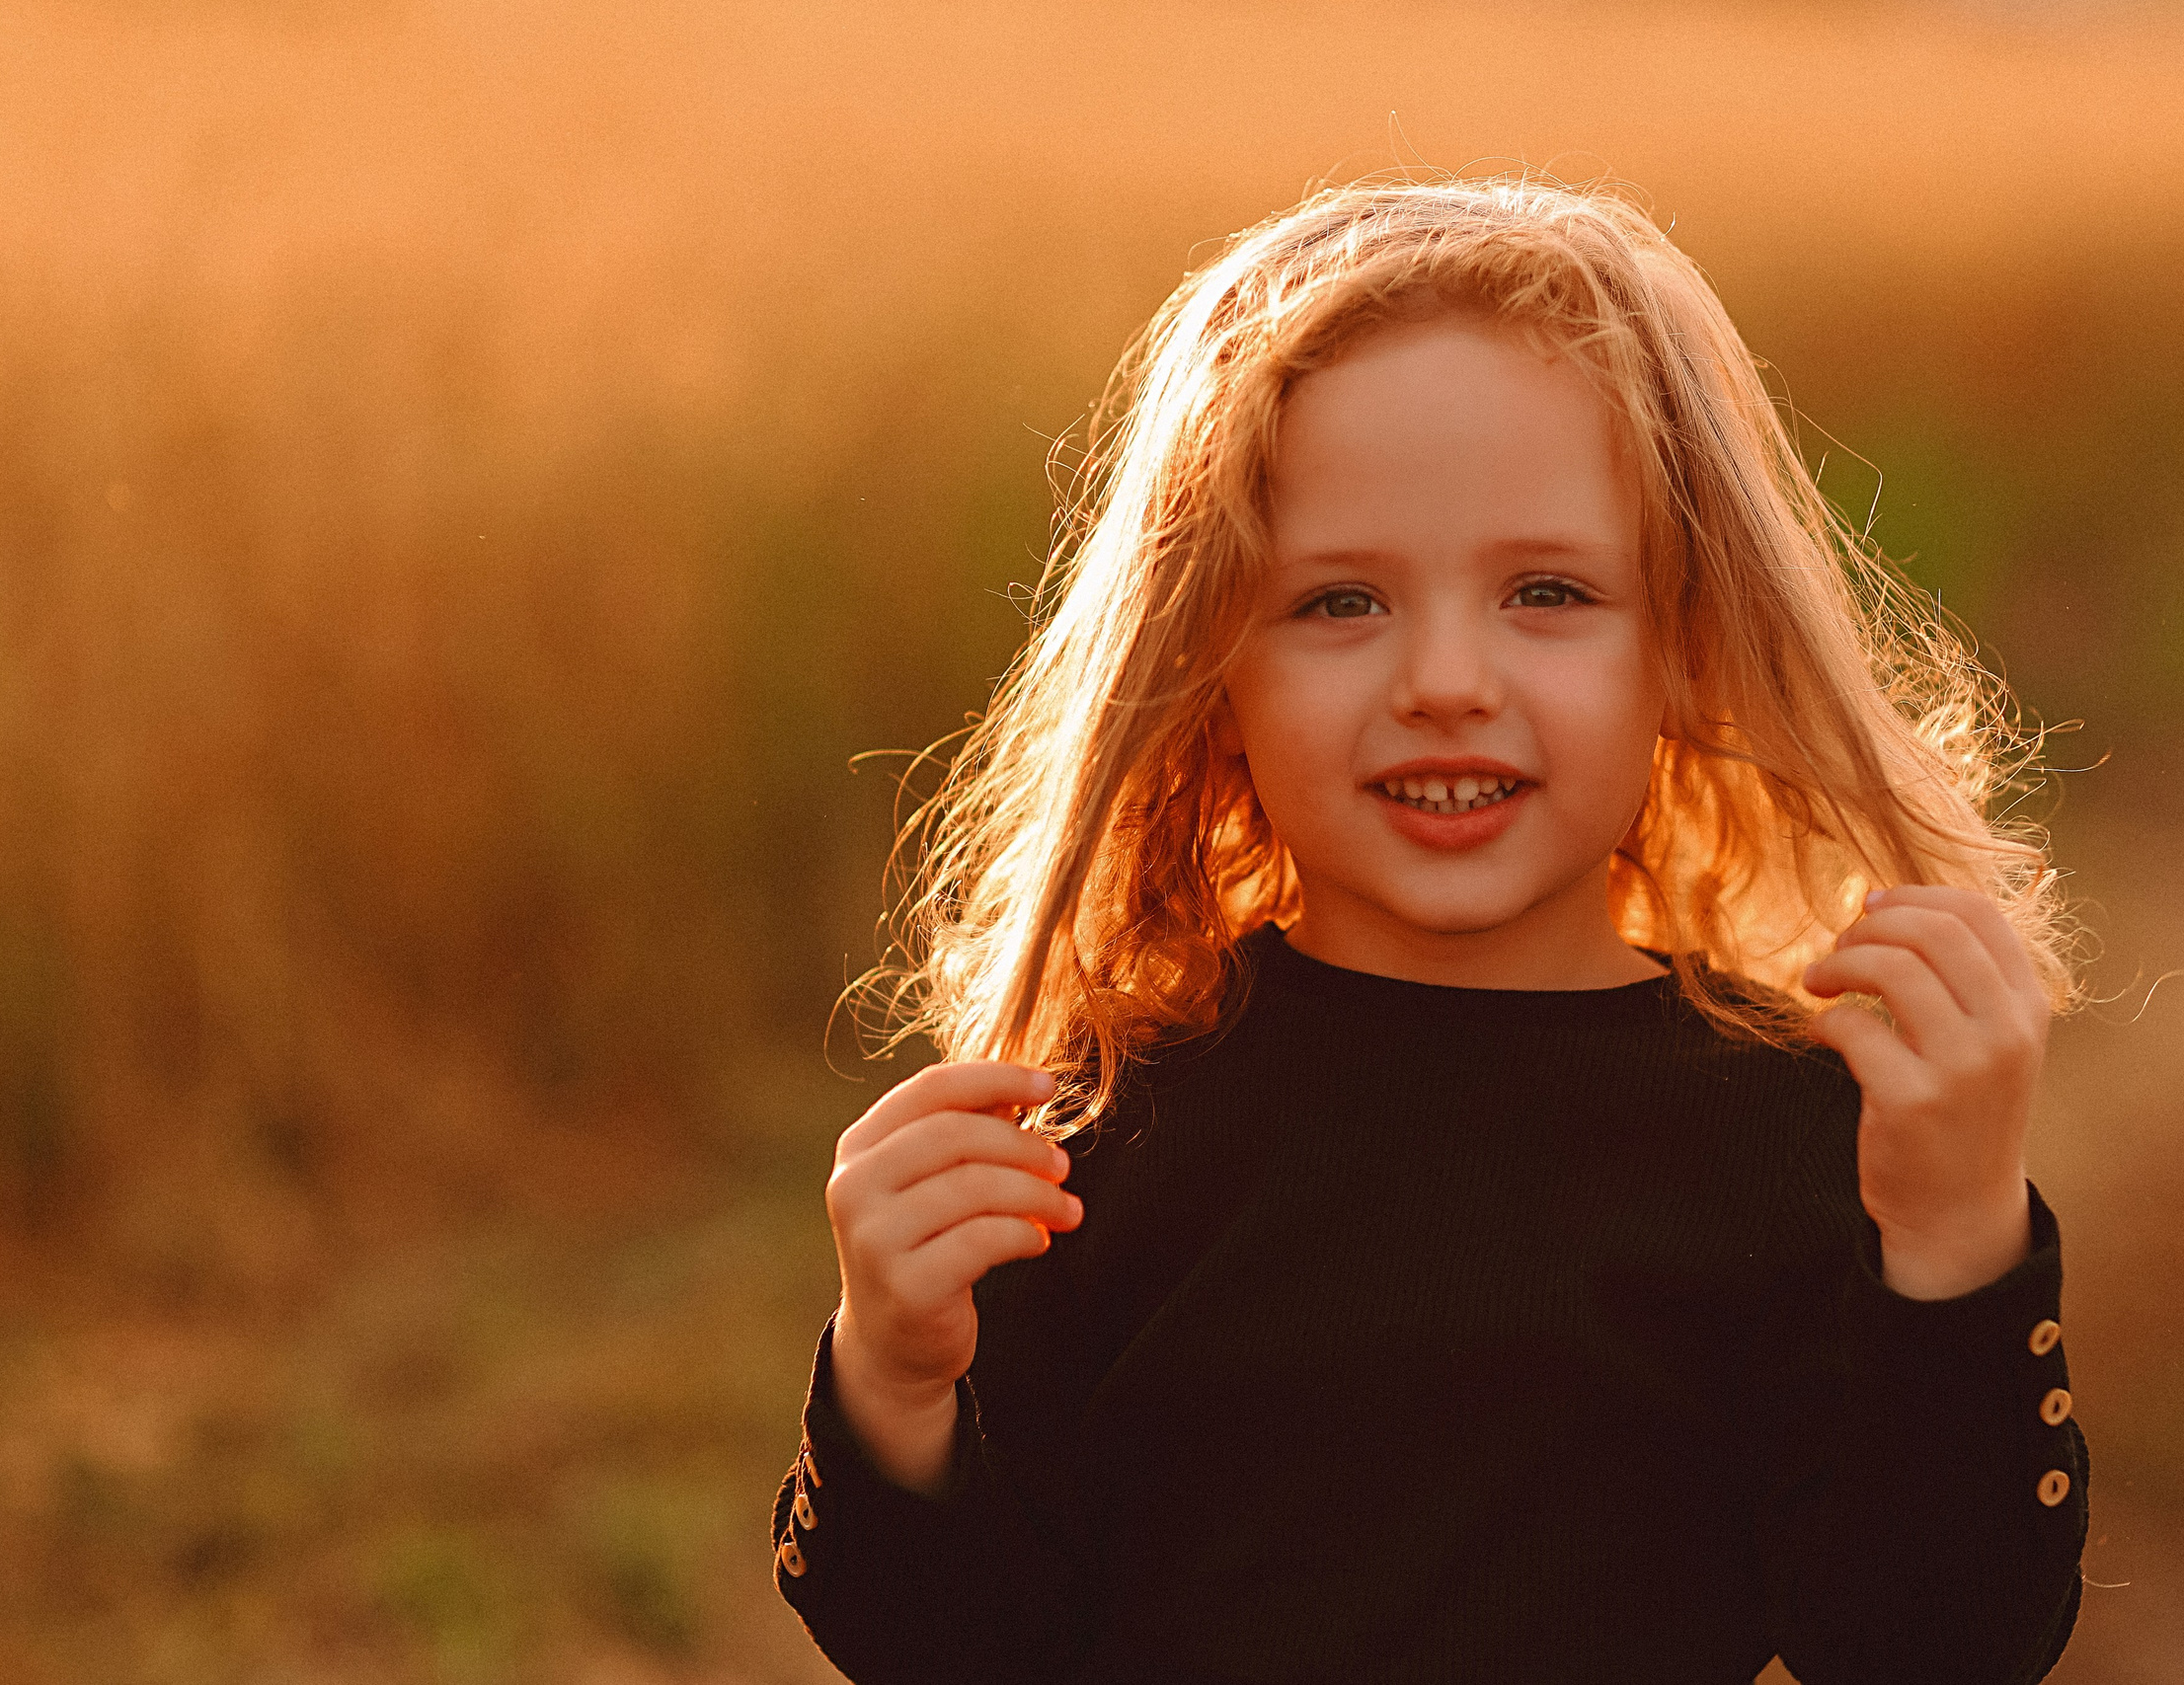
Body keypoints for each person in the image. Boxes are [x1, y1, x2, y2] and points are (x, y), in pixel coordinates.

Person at [771, 175, 2090, 1684]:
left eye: (1548, 591)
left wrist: (1958, 1244)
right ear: (1209, 664)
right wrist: (893, 1384)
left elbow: (1937, 1647)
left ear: (1686, 642)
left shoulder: (1798, 1132)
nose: (1446, 681)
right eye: (1341, 603)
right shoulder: (1099, 1130)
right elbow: (961, 1655)